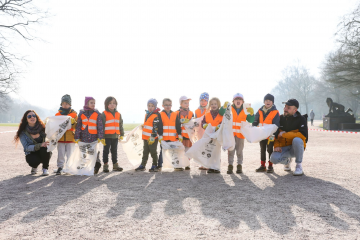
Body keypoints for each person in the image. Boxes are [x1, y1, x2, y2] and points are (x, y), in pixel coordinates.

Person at [270, 99, 308, 176]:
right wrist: (276, 146)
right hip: (284, 148)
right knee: (273, 159)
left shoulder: (301, 119)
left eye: (288, 108)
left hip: (296, 148)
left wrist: (285, 134)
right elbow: (276, 135)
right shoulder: (280, 118)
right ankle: (287, 162)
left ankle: (298, 166)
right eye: (285, 107)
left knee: (297, 140)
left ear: (295, 110)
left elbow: (303, 135)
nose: (285, 109)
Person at [15, 110, 51, 176]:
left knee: (46, 148)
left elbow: (52, 136)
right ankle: (34, 167)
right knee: (33, 161)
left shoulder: (43, 128)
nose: (32, 117)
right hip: (32, 153)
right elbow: (26, 148)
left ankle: (45, 168)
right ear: (26, 119)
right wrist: (40, 145)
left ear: (36, 117)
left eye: (34, 116)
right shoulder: (23, 132)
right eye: (29, 116)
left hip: (43, 151)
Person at [74, 97, 105, 174]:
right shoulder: (81, 113)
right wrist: (77, 137)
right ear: (86, 103)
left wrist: (100, 137)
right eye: (91, 103)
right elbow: (78, 126)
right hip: (83, 138)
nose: (93, 104)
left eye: (94, 103)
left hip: (94, 138)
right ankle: (84, 168)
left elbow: (100, 126)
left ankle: (96, 166)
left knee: (94, 152)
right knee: (84, 153)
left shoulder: (97, 113)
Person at [252, 93, 280, 173]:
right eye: (266, 100)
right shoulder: (260, 110)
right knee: (262, 149)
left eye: (270, 100)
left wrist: (274, 134)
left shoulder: (275, 112)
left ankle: (270, 166)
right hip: (262, 134)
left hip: (270, 135)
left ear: (272, 102)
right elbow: (255, 120)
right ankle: (262, 165)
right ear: (264, 102)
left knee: (270, 149)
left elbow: (276, 124)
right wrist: (253, 126)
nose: (268, 102)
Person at [228, 93, 254, 174]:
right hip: (231, 134)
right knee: (230, 150)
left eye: (240, 99)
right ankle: (230, 166)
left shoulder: (246, 109)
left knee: (239, 151)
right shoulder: (229, 108)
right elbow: (223, 116)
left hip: (240, 134)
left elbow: (251, 120)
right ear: (233, 101)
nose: (238, 101)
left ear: (243, 101)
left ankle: (239, 166)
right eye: (236, 99)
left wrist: (252, 114)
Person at [201, 97, 227, 173]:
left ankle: (216, 167)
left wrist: (220, 126)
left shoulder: (221, 114)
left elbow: (224, 123)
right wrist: (204, 125)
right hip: (209, 136)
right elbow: (202, 122)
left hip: (217, 136)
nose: (213, 105)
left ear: (218, 104)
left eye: (215, 104)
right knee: (209, 151)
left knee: (217, 152)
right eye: (212, 104)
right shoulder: (207, 114)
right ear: (210, 105)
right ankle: (210, 167)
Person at [135, 98, 161, 172]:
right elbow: (149, 125)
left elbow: (155, 127)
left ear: (155, 107)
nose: (150, 107)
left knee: (153, 152)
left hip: (152, 138)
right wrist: (144, 126)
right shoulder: (147, 114)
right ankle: (143, 165)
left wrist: (153, 137)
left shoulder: (156, 116)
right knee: (145, 152)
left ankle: (154, 165)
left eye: (152, 106)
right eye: (149, 105)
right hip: (145, 138)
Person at [157, 98, 182, 171]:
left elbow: (177, 125)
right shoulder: (160, 114)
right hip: (163, 138)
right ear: (163, 105)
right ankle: (159, 166)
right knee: (162, 152)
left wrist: (179, 134)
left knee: (174, 152)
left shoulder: (175, 114)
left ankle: (176, 166)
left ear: (171, 105)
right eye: (166, 105)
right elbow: (160, 125)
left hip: (173, 138)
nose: (168, 106)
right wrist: (160, 135)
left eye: (169, 105)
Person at [100, 96, 124, 173]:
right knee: (106, 151)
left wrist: (122, 134)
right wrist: (102, 137)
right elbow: (101, 126)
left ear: (116, 104)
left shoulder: (118, 114)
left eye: (114, 103)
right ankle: (106, 165)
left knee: (114, 150)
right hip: (107, 136)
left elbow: (120, 125)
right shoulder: (104, 114)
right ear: (107, 104)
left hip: (115, 136)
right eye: (110, 103)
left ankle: (115, 164)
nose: (112, 105)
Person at [55, 94, 77, 175]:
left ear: (70, 104)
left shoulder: (74, 114)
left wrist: (73, 122)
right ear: (61, 104)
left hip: (70, 137)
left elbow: (77, 125)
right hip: (60, 138)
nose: (65, 105)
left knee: (70, 154)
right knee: (60, 154)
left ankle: (69, 167)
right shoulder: (57, 115)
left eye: (66, 104)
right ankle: (60, 167)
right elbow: (55, 126)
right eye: (63, 104)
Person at [176, 96, 194, 171]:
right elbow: (175, 124)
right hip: (180, 136)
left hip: (188, 136)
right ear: (181, 103)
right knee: (180, 151)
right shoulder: (176, 113)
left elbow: (193, 123)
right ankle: (179, 164)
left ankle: (187, 164)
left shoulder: (191, 113)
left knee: (188, 150)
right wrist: (180, 121)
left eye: (188, 103)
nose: (187, 104)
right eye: (185, 103)